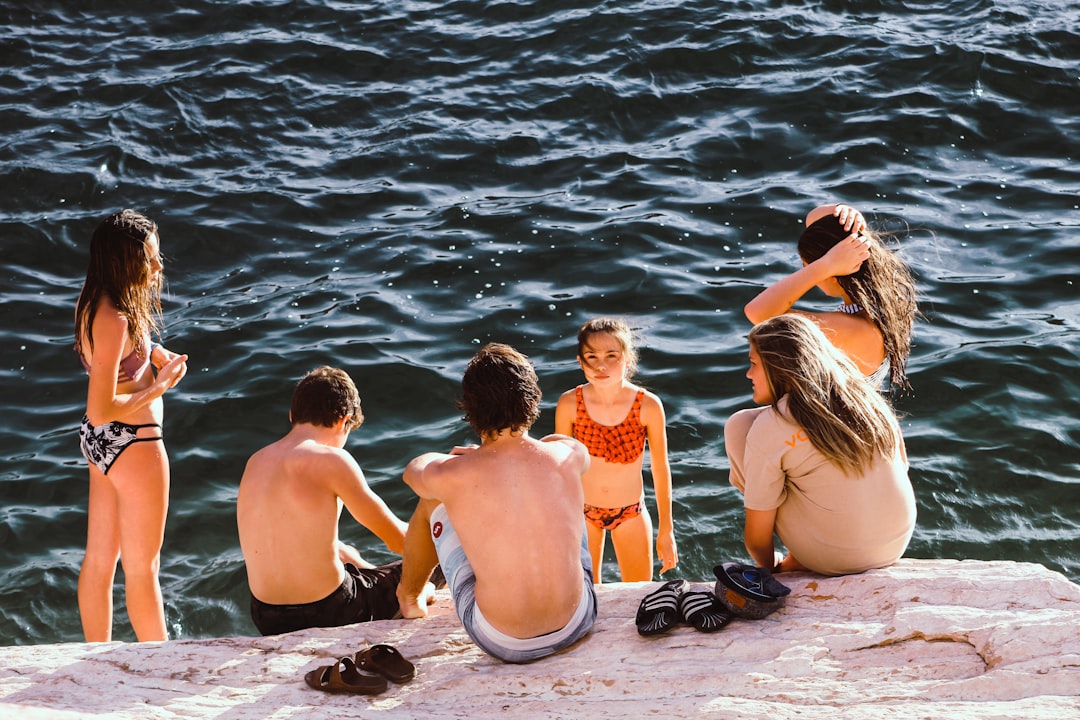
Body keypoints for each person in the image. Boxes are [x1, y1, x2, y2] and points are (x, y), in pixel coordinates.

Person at [396, 343, 597, 663]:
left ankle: (410, 597)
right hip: (578, 620)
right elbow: (557, 448)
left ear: (470, 409)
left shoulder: (452, 475)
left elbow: (413, 471)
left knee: (431, 500)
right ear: (532, 400)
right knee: (566, 493)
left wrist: (461, 461)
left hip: (505, 641)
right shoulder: (568, 454)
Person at [724, 314, 916, 576]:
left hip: (834, 557)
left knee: (738, 426)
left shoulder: (772, 426)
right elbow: (900, 468)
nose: (748, 374)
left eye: (754, 363)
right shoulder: (867, 399)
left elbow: (757, 538)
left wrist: (768, 569)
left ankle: (795, 559)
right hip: (895, 543)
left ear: (777, 367)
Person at [75, 209, 189, 642]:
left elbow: (114, 360)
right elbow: (103, 406)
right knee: (144, 569)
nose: (159, 267)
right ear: (125, 262)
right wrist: (158, 388)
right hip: (133, 443)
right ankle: (162, 663)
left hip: (101, 445)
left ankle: (94, 656)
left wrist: (152, 351)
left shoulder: (93, 297)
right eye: (150, 259)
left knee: (100, 561)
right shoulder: (115, 318)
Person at [237, 366, 413, 636]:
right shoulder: (332, 460)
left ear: (292, 415)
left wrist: (357, 562)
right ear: (344, 421)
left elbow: (294, 538)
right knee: (436, 557)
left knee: (347, 554)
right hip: (330, 611)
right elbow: (399, 541)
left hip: (266, 616)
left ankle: (364, 569)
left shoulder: (256, 461)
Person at [554, 317, 677, 583]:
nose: (601, 365)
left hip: (630, 511)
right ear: (580, 361)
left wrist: (666, 529)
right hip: (583, 511)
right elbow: (560, 467)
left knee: (638, 592)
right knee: (586, 594)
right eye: (591, 356)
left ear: (628, 359)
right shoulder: (569, 404)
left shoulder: (648, 406)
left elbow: (660, 467)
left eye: (612, 355)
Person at [744, 203, 917, 390]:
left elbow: (759, 314)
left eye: (807, 266)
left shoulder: (854, 328)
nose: (809, 273)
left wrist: (825, 265)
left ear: (834, 275)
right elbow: (813, 220)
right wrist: (846, 213)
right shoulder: (884, 302)